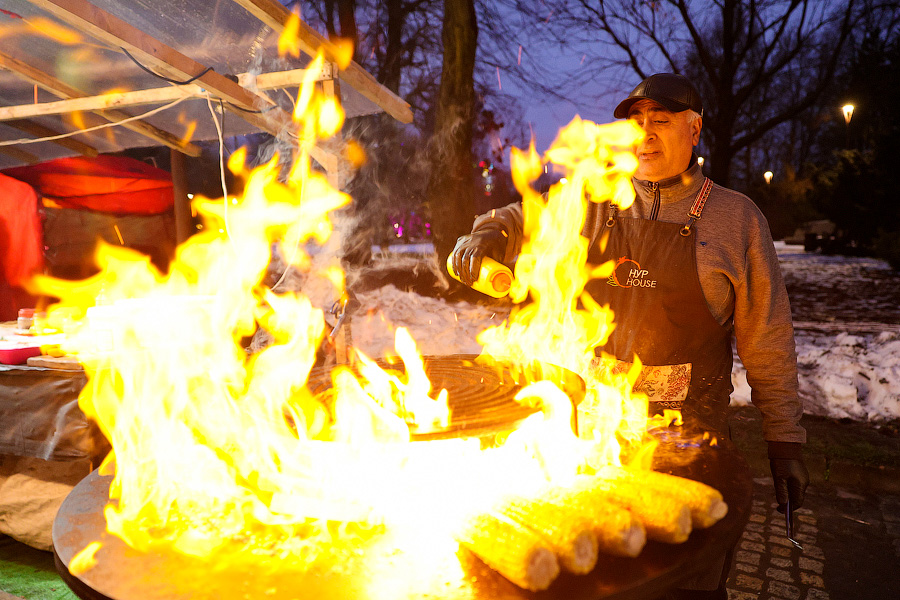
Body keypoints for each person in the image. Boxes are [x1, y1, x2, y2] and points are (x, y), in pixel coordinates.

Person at [450, 73, 809, 599]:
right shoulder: (595, 200)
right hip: (596, 438)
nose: (644, 134)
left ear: (695, 130)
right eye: (636, 122)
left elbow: (769, 341)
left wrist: (785, 441)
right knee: (602, 581)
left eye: (661, 122)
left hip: (691, 444)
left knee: (688, 579)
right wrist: (487, 234)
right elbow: (517, 216)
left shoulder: (736, 220)